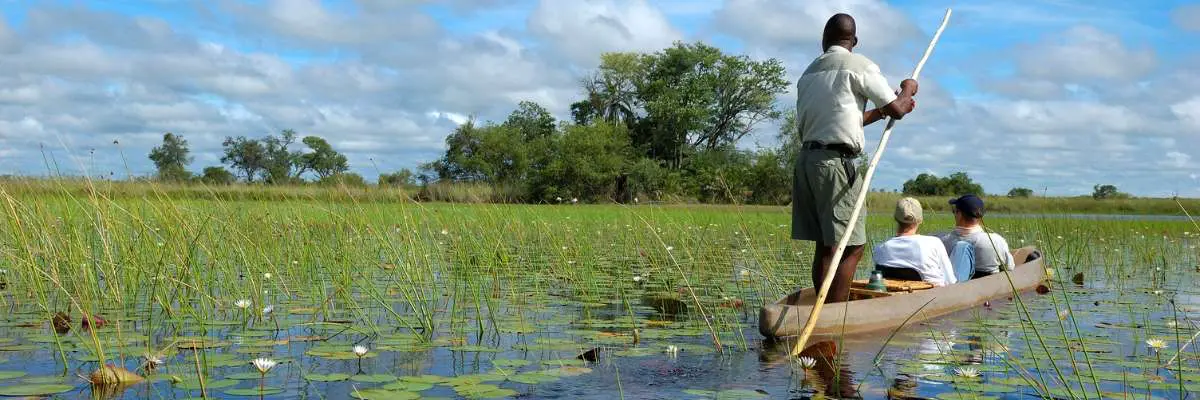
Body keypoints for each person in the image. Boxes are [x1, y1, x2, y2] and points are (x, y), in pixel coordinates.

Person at [792, 13, 919, 303]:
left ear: (824, 40)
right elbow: (898, 108)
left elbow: (849, 119)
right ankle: (833, 314)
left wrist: (886, 109)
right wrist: (908, 88)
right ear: (855, 41)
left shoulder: (809, 72)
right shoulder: (858, 65)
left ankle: (823, 309)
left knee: (826, 246)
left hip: (807, 162)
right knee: (851, 247)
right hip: (835, 165)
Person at [872, 198, 957, 286]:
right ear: (920, 220)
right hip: (932, 296)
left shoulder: (879, 248)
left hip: (895, 296)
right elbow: (950, 281)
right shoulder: (934, 243)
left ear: (896, 218)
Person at [938, 194, 1016, 281]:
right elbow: (1010, 267)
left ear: (959, 214)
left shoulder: (942, 241)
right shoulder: (997, 241)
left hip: (957, 289)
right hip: (991, 289)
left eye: (954, 211)